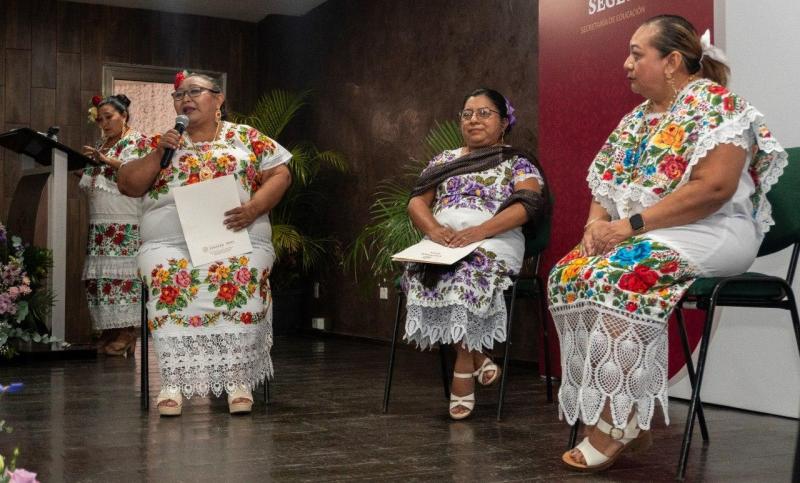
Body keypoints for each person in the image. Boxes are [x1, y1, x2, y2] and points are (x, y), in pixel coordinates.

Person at [547, 15, 788, 471]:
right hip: (652, 232)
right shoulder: (635, 119)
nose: (626, 64)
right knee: (570, 272)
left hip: (716, 230)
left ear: (673, 60)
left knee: (623, 272)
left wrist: (627, 227)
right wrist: (592, 230)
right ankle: (617, 410)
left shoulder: (719, 106)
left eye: (637, 54)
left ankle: (620, 419)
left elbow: (712, 191)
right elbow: (603, 188)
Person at [117, 71, 292, 416]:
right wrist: (159, 154)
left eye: (194, 91)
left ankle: (236, 379)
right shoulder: (160, 141)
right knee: (169, 274)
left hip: (236, 235)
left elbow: (281, 172)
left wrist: (254, 207)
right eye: (179, 94)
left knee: (240, 273)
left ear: (219, 98)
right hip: (170, 242)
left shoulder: (245, 137)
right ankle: (173, 380)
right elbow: (128, 184)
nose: (185, 98)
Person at [404, 88, 549, 420]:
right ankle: (478, 357)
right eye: (467, 114)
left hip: (493, 242)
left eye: (484, 113)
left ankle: (462, 370)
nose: (474, 120)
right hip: (443, 243)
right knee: (419, 271)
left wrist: (479, 232)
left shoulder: (518, 161)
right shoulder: (443, 160)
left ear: (503, 122)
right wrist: (434, 231)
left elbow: (529, 204)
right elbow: (415, 201)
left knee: (467, 273)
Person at [80, 94, 153, 356]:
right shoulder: (104, 143)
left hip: (125, 220)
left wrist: (106, 160)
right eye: (100, 119)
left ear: (124, 115)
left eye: (109, 117)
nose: (104, 123)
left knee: (122, 278)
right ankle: (109, 330)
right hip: (100, 221)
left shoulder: (139, 141)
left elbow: (139, 171)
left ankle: (127, 332)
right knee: (103, 279)